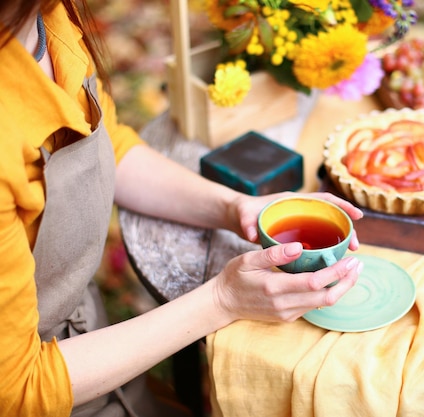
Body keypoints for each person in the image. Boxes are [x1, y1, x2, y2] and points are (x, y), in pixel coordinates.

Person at [0, 1, 364, 416]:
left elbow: (106, 145)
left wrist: (234, 206)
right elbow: (19, 388)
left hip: (90, 346)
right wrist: (223, 300)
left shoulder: (46, 19)